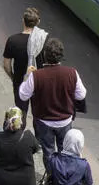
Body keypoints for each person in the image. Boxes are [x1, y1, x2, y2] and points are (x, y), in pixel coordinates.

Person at [19, 37, 87, 169]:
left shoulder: (36, 76)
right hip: (65, 121)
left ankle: (51, 177)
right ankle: (64, 175)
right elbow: (81, 94)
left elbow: (23, 95)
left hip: (44, 122)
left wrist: (27, 76)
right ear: (61, 57)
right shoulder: (72, 73)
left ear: (44, 55)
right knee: (65, 151)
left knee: (48, 152)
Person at [3, 7, 47, 123]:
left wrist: (13, 77)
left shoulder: (13, 40)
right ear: (38, 22)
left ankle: (19, 135)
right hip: (38, 82)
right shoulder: (44, 40)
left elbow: (6, 65)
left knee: (20, 114)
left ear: (23, 20)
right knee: (38, 115)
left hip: (20, 81)